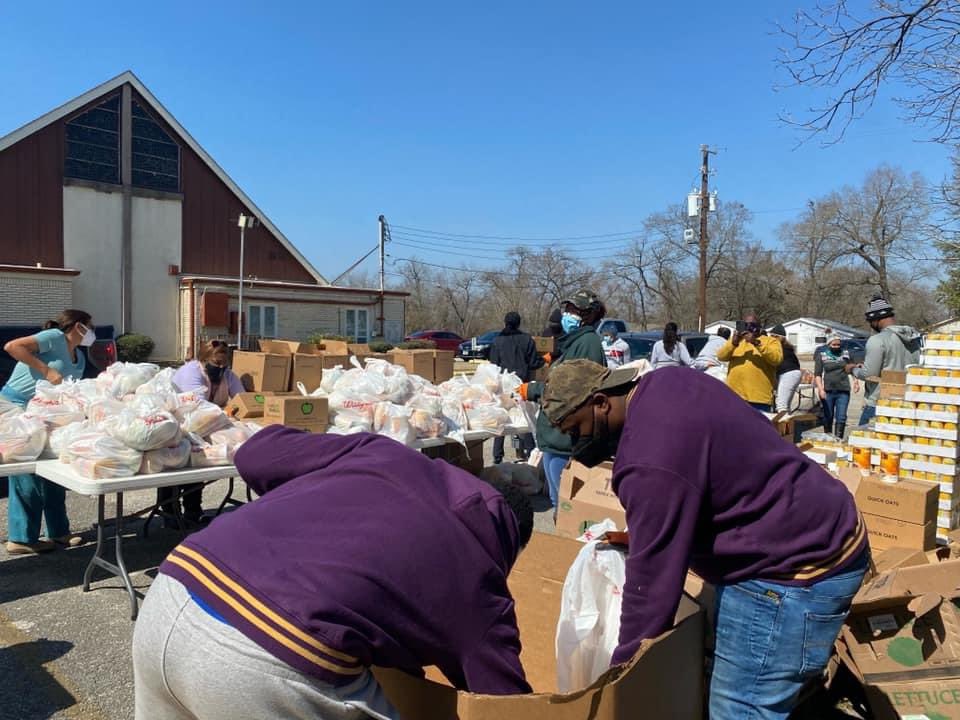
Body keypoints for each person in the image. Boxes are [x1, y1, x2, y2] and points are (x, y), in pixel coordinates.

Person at [541, 360, 868, 720]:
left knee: (740, 708)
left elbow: (651, 590)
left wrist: (621, 676)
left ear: (601, 402)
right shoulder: (668, 380)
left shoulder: (648, 463)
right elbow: (705, 471)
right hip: (822, 522)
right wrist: (648, 534)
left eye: (576, 429)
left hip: (795, 570)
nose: (575, 443)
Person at [133, 427, 535, 720]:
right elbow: (505, 704)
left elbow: (254, 455)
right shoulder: (480, 578)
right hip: (268, 661)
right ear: (509, 544)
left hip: (173, 590)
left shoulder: (386, 454)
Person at [2, 310, 95, 554]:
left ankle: (59, 531)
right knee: (26, 470)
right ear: (77, 327)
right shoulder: (53, 337)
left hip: (46, 414)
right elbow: (12, 347)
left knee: (55, 467)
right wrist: (46, 371)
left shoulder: (80, 358)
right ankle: (21, 538)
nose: (91, 331)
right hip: (16, 408)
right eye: (89, 326)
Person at [520, 289, 606, 509]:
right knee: (556, 500)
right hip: (555, 439)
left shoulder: (588, 343)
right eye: (567, 309)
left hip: (566, 439)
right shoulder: (574, 342)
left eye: (574, 310)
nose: (567, 314)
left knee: (566, 504)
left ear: (589, 314)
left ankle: (565, 541)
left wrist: (534, 390)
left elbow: (573, 389)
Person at [163, 340, 245, 527]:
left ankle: (193, 510)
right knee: (177, 461)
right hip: (179, 425)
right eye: (216, 364)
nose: (221, 368)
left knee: (199, 461)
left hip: (206, 426)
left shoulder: (228, 375)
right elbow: (199, 406)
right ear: (204, 359)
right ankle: (169, 511)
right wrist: (226, 413)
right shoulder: (192, 372)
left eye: (224, 364)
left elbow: (242, 400)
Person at [847, 295, 921, 425]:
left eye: (870, 321)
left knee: (865, 444)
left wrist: (853, 369)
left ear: (875, 319)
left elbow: (869, 374)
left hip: (880, 402)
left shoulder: (878, 340)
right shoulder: (915, 339)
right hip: (908, 402)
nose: (870, 324)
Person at [488, 312, 544, 464]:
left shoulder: (497, 341)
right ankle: (529, 453)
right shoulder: (527, 340)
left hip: (503, 387)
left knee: (502, 419)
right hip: (522, 386)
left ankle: (497, 457)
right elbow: (534, 363)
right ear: (519, 323)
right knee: (525, 419)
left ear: (504, 322)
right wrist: (544, 359)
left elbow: (493, 365)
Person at [717, 313, 783, 412]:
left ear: (759, 327)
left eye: (752, 325)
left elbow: (776, 359)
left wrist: (756, 342)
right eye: (746, 325)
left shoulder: (770, 341)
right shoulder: (736, 342)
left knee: (757, 427)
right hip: (735, 395)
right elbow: (721, 356)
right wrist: (733, 343)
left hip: (758, 398)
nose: (748, 328)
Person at [815, 335, 860, 438]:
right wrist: (821, 389)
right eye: (834, 344)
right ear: (829, 344)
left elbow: (852, 369)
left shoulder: (846, 354)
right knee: (828, 416)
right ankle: (828, 439)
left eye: (838, 344)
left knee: (841, 417)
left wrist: (856, 382)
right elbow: (817, 374)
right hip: (828, 390)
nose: (836, 346)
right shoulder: (822, 355)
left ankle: (838, 439)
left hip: (843, 390)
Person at [769, 324, 803, 413]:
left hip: (788, 374)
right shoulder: (786, 347)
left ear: (779, 337)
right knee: (785, 405)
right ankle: (787, 425)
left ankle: (782, 426)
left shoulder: (780, 348)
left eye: (773, 336)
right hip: (790, 374)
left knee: (781, 405)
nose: (771, 338)